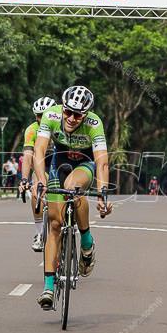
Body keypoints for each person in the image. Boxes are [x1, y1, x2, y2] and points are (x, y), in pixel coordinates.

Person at [33, 85, 113, 310]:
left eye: (77, 115)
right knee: (55, 223)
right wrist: (41, 179)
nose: (70, 118)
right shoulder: (51, 115)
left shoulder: (94, 124)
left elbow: (102, 161)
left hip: (84, 164)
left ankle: (87, 244)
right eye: (67, 112)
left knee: (73, 187)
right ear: (62, 108)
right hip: (59, 163)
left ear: (85, 114)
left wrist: (102, 193)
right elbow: (39, 150)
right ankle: (48, 287)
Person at [19, 96, 55, 251]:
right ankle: (39, 233)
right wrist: (24, 179)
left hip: (58, 161)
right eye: (38, 116)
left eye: (44, 115)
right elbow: (27, 156)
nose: (41, 119)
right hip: (41, 163)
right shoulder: (32, 129)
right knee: (36, 190)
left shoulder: (60, 126)